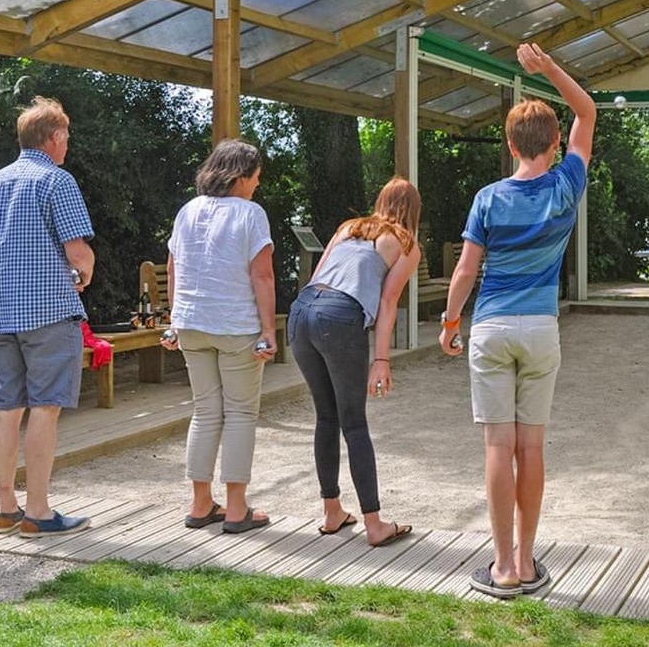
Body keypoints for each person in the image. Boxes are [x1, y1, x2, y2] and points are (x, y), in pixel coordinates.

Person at [439, 43, 596, 598]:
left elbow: (464, 270)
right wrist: (549, 68)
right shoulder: (565, 186)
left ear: (509, 145)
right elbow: (587, 111)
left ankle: (501, 566)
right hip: (540, 330)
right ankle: (528, 562)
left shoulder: (487, 199)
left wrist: (451, 320)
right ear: (556, 144)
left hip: (491, 328)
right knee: (532, 449)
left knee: (496, 448)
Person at [0, 96, 95, 538]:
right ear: (55, 137)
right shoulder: (56, 181)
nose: (68, 145)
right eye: (66, 137)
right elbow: (78, 253)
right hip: (46, 312)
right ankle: (39, 512)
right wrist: (83, 276)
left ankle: (6, 508)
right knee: (45, 409)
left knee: (8, 407)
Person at [288, 177, 420, 547]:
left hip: (302, 311)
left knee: (326, 417)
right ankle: (375, 524)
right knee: (354, 423)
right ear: (415, 210)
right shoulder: (407, 244)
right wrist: (381, 359)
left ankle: (332, 511)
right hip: (340, 317)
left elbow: (317, 277)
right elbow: (388, 302)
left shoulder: (349, 228)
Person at [160, 139, 277, 534]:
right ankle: (237, 508)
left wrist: (175, 319)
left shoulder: (187, 210)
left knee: (205, 411)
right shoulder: (251, 214)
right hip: (235, 324)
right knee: (241, 413)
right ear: (240, 176)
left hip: (191, 322)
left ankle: (200, 503)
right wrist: (268, 329)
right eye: (255, 178)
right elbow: (261, 275)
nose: (256, 186)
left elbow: (173, 268)